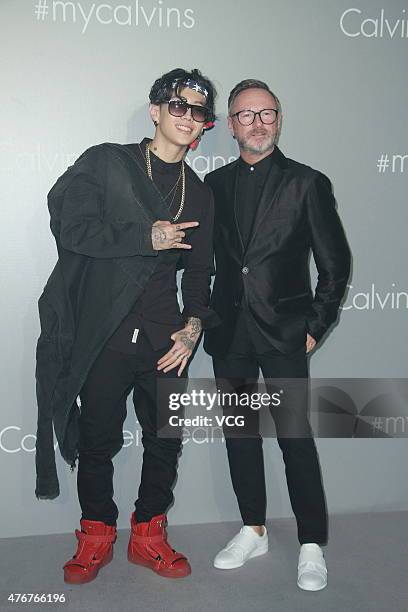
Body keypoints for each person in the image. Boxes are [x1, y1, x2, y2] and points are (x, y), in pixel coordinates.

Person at [35, 68, 219, 583]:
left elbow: (202, 270)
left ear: (206, 126)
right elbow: (69, 225)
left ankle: (149, 535)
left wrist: (193, 326)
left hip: (167, 336)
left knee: (165, 439)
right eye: (177, 106)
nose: (187, 118)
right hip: (107, 330)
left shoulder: (199, 193)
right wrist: (145, 235)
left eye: (198, 112)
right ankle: (95, 534)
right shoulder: (106, 163)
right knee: (97, 439)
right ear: (156, 110)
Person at [204, 79, 351, 591]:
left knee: (293, 436)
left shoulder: (307, 183)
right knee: (241, 435)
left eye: (267, 113)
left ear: (279, 118)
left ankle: (311, 541)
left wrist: (315, 326)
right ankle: (254, 528)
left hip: (286, 333)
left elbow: (336, 265)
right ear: (231, 125)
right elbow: (208, 263)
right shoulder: (214, 186)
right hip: (230, 334)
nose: (258, 122)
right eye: (246, 115)